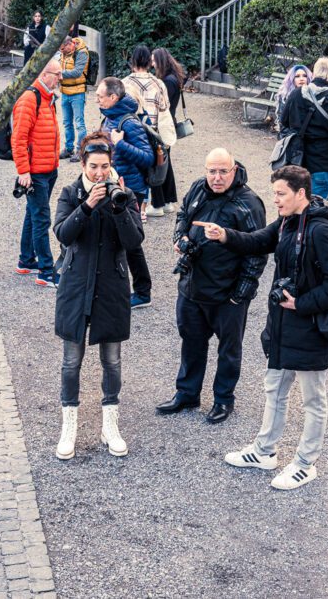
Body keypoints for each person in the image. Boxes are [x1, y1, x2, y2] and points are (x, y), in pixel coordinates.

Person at [194, 165, 328, 491]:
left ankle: (305, 464)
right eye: (274, 193)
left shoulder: (321, 232)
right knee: (275, 390)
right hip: (283, 328)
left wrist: (302, 304)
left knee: (313, 399)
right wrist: (223, 234)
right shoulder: (287, 222)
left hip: (309, 330)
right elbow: (257, 241)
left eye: (281, 194)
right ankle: (264, 451)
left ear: (300, 194)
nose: (276, 200)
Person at [155, 148, 267, 424]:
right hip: (192, 287)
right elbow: (183, 214)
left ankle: (223, 399)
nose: (216, 177)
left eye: (222, 172)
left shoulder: (249, 203)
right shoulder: (198, 188)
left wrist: (241, 295)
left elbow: (258, 251)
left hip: (227, 293)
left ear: (233, 170)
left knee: (229, 350)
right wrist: (179, 237)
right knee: (191, 342)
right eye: (212, 171)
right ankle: (187, 393)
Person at [52, 133, 144, 460]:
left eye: (105, 166)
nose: (99, 173)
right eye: (93, 167)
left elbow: (134, 242)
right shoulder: (70, 193)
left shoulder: (125, 194)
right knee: (71, 361)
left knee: (112, 360)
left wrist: (118, 206)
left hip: (111, 289)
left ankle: (110, 425)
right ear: (82, 164)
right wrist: (87, 206)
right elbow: (62, 233)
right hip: (76, 286)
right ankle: (69, 427)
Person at [95, 77, 155, 308]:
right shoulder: (108, 117)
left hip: (131, 190)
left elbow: (147, 157)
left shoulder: (129, 123)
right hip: (112, 186)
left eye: (100, 95)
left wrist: (120, 145)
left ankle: (143, 291)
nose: (97, 98)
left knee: (131, 241)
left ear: (113, 98)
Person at [11, 59, 63, 287]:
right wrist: (23, 170)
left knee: (33, 214)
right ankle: (46, 271)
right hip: (36, 172)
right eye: (57, 74)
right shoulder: (29, 98)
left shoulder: (47, 97)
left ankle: (26, 260)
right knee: (41, 218)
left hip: (48, 168)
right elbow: (18, 138)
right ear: (44, 73)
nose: (60, 78)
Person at [279, 57, 328, 200]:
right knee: (314, 214)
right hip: (322, 165)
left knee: (293, 210)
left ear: (313, 74)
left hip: (297, 162)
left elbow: (284, 121)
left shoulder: (296, 94)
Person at [123, 45, 176, 219]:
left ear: (133, 61)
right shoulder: (158, 83)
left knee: (134, 168)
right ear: (148, 62)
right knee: (151, 168)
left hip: (131, 129)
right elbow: (165, 107)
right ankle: (150, 206)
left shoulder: (125, 83)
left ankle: (138, 207)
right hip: (152, 131)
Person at [150, 47, 185, 214]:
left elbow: (162, 105)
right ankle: (168, 200)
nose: (152, 64)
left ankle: (159, 202)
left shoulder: (167, 81)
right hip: (168, 123)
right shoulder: (173, 78)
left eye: (154, 60)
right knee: (165, 162)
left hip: (163, 125)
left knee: (158, 162)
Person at [58, 34, 90, 162]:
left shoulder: (82, 53)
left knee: (79, 123)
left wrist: (59, 73)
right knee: (66, 123)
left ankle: (80, 150)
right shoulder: (63, 52)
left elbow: (77, 72)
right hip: (64, 91)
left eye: (63, 49)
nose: (62, 51)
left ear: (70, 44)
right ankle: (68, 148)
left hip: (78, 92)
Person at [274, 64, 311, 133]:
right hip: (290, 136)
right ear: (292, 79)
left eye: (304, 76)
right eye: (297, 76)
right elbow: (282, 122)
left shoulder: (312, 96)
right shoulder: (284, 97)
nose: (301, 79)